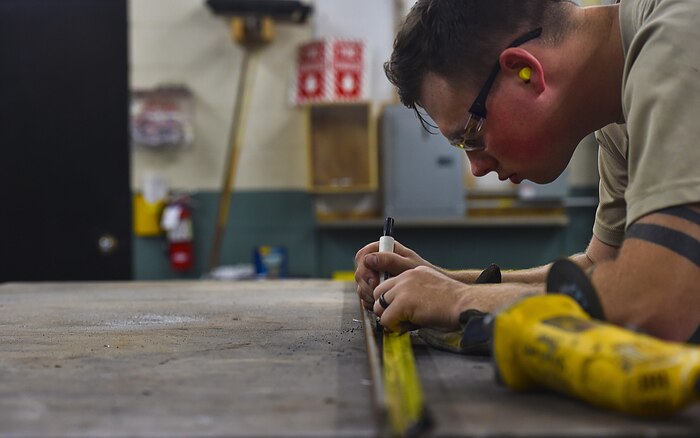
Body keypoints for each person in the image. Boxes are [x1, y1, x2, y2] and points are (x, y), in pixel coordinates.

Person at [355, 0, 700, 342]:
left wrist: (459, 300)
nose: (476, 168)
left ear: (525, 73)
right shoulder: (616, 114)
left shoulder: (678, 33)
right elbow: (600, 268)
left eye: (471, 136)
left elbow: (656, 302)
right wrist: (442, 282)